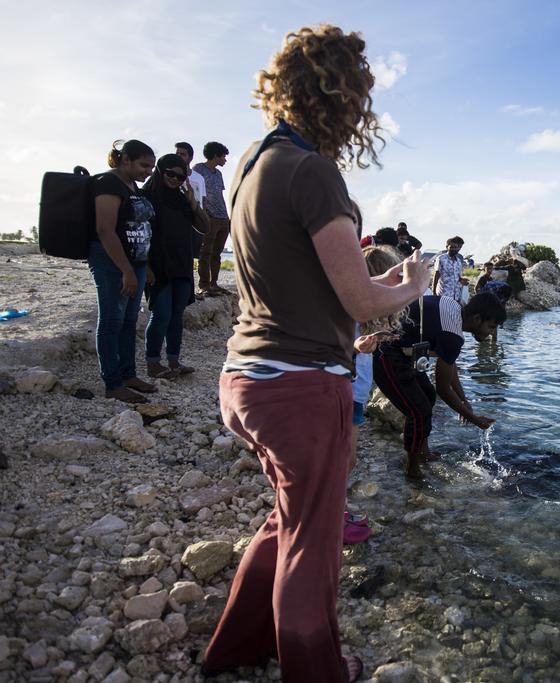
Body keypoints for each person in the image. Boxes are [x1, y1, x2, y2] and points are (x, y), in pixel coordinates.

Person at [200, 25, 430, 683]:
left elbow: (321, 283)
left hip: (247, 378)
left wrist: (382, 284)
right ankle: (318, 671)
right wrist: (412, 283)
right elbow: (359, 300)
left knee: (286, 521)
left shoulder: (254, 163)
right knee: (314, 544)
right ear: (344, 99)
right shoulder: (314, 170)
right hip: (300, 389)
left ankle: (237, 648)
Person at [373, 291, 505, 479]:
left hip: (403, 349)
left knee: (427, 394)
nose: (491, 333)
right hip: (385, 352)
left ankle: (423, 452)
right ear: (477, 318)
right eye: (491, 326)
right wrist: (473, 418)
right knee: (419, 411)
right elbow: (443, 389)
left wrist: (463, 399)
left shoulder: (453, 307)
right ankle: (412, 469)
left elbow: (450, 363)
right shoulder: (452, 334)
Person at [345, 242, 406, 545]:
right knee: (346, 457)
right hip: (344, 392)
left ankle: (332, 510)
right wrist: (355, 349)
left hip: (355, 391)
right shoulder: (349, 311)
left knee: (347, 458)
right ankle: (332, 517)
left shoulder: (364, 314)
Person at [88, 139, 158, 404]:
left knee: (129, 321)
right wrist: (126, 270)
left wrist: (144, 265)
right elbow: (105, 230)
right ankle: (112, 383)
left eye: (151, 167)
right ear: (125, 159)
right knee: (111, 321)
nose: (148, 171)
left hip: (136, 263)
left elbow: (138, 228)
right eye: (143, 165)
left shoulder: (133, 187)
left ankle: (129, 374)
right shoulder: (107, 183)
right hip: (112, 262)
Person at [142, 154, 209, 379]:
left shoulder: (182, 200)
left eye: (181, 177)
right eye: (170, 174)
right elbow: (138, 235)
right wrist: (146, 268)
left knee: (176, 315)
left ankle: (173, 361)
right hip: (158, 265)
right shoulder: (145, 198)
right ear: (160, 171)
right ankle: (153, 363)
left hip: (181, 264)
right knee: (161, 314)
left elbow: (204, 227)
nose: (175, 179)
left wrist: (193, 203)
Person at [193, 140, 230, 297]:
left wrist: (227, 216)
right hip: (209, 217)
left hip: (223, 217)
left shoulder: (219, 174)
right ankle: (204, 285)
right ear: (215, 156)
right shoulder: (199, 169)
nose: (225, 160)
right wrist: (203, 214)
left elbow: (219, 195)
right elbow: (196, 192)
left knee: (217, 253)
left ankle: (214, 283)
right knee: (205, 252)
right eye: (223, 156)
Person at [174, 142, 207, 258]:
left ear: (190, 157)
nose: (178, 156)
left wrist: (203, 218)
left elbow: (203, 200)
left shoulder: (199, 178)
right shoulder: (169, 175)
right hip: (177, 219)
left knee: (193, 257)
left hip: (195, 221)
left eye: (182, 154)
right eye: (177, 153)